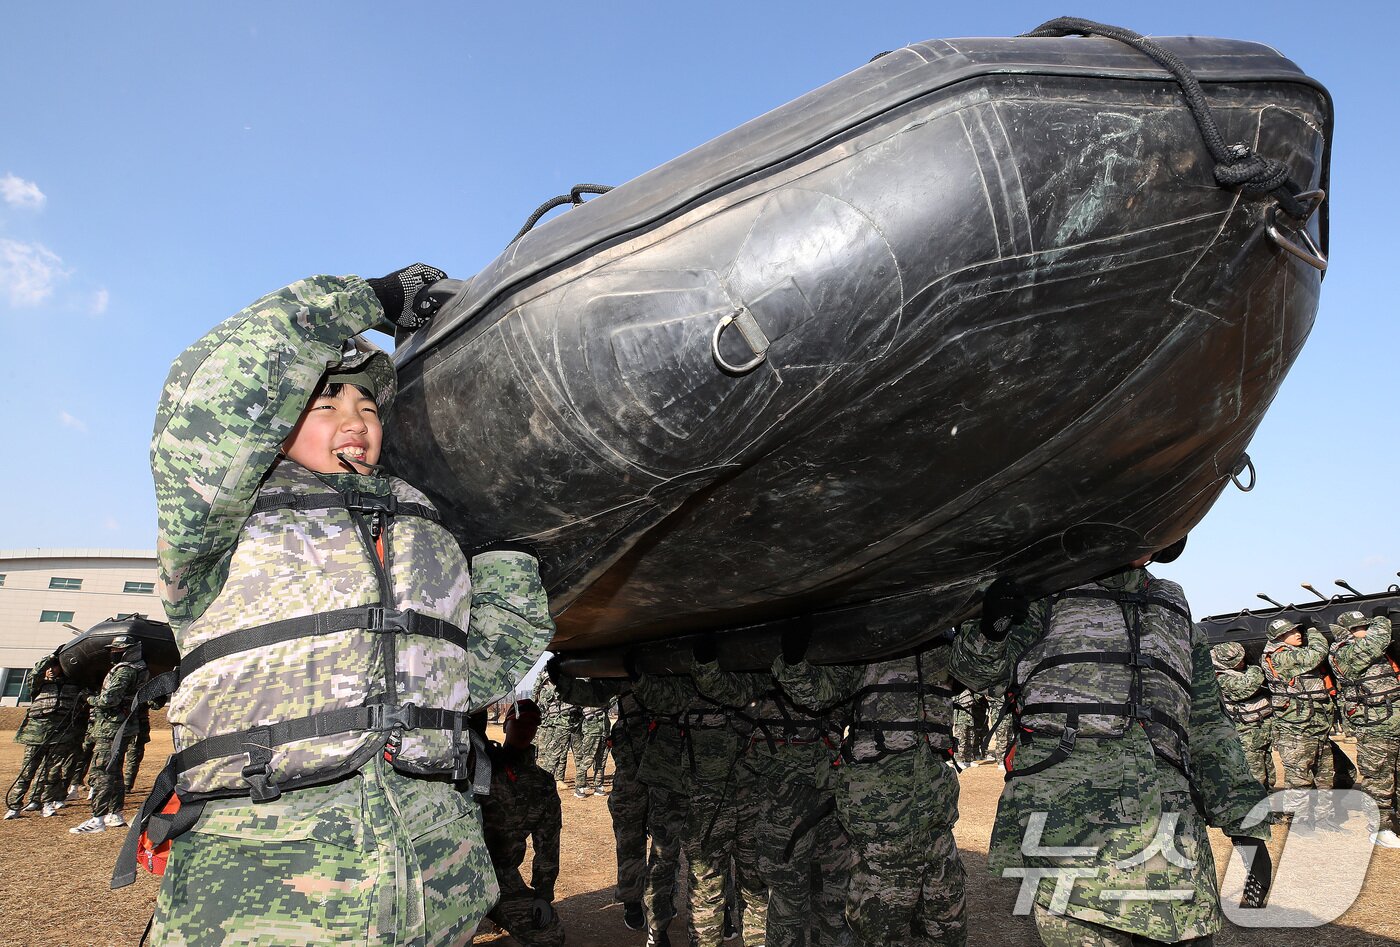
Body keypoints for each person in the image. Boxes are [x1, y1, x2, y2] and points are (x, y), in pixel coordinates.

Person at [126, 268, 554, 946]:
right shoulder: (215, 522)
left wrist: (508, 555)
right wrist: (371, 298)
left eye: (369, 407)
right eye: (325, 403)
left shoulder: (425, 530)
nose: (356, 421)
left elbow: (471, 675)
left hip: (435, 878)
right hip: (265, 885)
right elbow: (222, 386)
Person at [951, 540, 1271, 946]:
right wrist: (991, 628)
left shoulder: (1172, 604)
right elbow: (976, 674)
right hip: (1069, 824)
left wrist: (1245, 824)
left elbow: (1207, 723)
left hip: (1170, 825)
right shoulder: (1046, 592)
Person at [775, 627, 966, 947]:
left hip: (936, 815)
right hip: (880, 818)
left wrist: (992, 630)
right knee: (880, 930)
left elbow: (982, 672)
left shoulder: (944, 640)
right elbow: (818, 691)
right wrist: (794, 661)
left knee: (947, 928)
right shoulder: (868, 638)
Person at [547, 666, 652, 931]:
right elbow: (594, 693)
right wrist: (562, 681)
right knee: (629, 838)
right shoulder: (623, 669)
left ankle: (664, 897)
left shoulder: (674, 668)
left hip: (671, 763)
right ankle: (631, 899)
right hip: (632, 770)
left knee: (669, 840)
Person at [480, 699, 565, 946]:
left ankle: (497, 911)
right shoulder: (481, 767)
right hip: (461, 872)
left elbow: (548, 843)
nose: (525, 729)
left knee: (550, 936)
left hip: (501, 878)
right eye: (518, 722)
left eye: (532, 724)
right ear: (505, 726)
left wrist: (543, 895)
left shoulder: (542, 784)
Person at [1329, 610, 1400, 847]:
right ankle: (1380, 829)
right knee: (1378, 778)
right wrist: (1380, 617)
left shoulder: (1373, 649)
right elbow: (1379, 638)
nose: (1366, 630)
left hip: (1394, 721)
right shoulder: (1343, 652)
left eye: (1366, 626)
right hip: (1374, 726)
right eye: (1359, 627)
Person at [1262, 617, 1338, 823]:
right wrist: (1312, 629)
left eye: (1299, 630)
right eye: (1290, 632)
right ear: (1278, 638)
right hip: (1296, 728)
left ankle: (1324, 819)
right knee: (1299, 777)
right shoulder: (1280, 657)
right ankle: (1297, 821)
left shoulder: (1292, 652)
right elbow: (1317, 654)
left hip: (1316, 724)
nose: (1298, 634)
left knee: (1324, 776)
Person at [70, 636, 148, 834]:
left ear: (129, 651)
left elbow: (109, 700)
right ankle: (115, 813)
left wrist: (89, 698)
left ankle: (98, 818)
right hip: (125, 726)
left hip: (112, 727)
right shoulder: (141, 669)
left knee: (102, 770)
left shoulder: (125, 671)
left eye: (118, 650)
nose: (114, 653)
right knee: (115, 771)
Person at [6, 654, 85, 819]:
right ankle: (15, 806)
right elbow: (34, 674)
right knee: (27, 771)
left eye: (54, 666)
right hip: (36, 733)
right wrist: (48, 659)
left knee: (52, 772)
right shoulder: (40, 684)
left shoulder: (75, 685)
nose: (51, 670)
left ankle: (46, 803)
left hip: (60, 734)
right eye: (49, 667)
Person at [1211, 641, 1276, 792]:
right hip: (1246, 733)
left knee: (1270, 775)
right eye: (1237, 660)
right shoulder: (1221, 677)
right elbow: (1246, 687)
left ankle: (1270, 803)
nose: (1241, 662)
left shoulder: (1241, 670)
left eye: (1242, 658)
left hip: (1261, 730)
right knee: (1255, 777)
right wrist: (1256, 667)